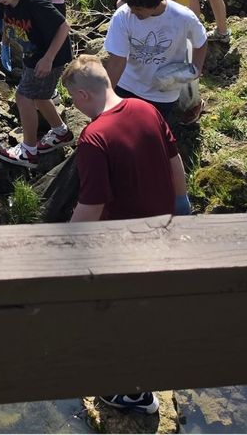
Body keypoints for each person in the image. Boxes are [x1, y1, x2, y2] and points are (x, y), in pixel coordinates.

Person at [63, 54, 190, 417]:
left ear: (82, 96)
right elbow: (175, 162)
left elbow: (92, 206)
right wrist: (181, 208)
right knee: (145, 310)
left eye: (73, 100)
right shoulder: (146, 109)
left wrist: (61, 246)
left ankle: (133, 394)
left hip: (122, 246)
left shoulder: (94, 138)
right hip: (162, 233)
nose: (76, 107)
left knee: (119, 314)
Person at [0, 0, 73, 167]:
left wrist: (48, 59)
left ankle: (28, 151)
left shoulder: (35, 2)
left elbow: (63, 27)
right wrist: (5, 41)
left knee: (24, 97)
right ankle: (61, 133)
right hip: (33, 51)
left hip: (51, 55)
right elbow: (6, 18)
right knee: (40, 96)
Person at [104, 0, 207, 126]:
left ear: (154, 4)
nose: (133, 12)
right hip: (127, 84)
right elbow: (117, 60)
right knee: (120, 127)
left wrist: (196, 69)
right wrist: (106, 97)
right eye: (131, 7)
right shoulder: (123, 15)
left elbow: (201, 41)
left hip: (161, 92)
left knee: (149, 130)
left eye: (138, 9)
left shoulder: (183, 17)